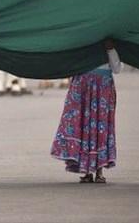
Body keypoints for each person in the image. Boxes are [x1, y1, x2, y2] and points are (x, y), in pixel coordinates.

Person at [51, 39, 121, 183]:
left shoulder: (107, 44)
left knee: (99, 128)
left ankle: (99, 171)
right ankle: (86, 171)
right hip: (83, 88)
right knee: (82, 126)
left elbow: (117, 68)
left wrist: (110, 49)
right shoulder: (82, 42)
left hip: (101, 88)